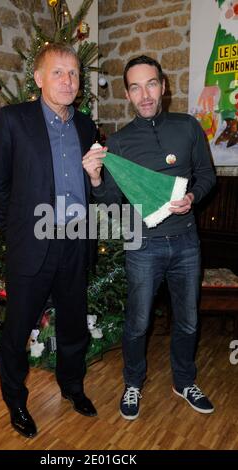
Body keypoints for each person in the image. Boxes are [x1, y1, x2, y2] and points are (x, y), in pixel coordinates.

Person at [83, 55, 216, 420]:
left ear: (163, 86)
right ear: (127, 94)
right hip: (142, 245)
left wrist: (192, 197)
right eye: (136, 87)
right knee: (138, 322)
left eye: (151, 84)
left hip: (187, 242)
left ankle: (184, 381)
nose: (145, 94)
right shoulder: (121, 143)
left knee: (188, 319)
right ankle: (133, 383)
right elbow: (109, 201)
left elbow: (207, 176)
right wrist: (95, 178)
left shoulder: (188, 127)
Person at [0, 43, 98, 439]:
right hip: (32, 244)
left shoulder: (86, 125)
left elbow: (92, 183)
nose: (68, 81)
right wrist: (14, 233)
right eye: (58, 72)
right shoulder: (13, 120)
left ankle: (72, 386)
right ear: (38, 78)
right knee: (18, 330)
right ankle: (15, 400)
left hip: (75, 242)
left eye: (73, 73)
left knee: (73, 327)